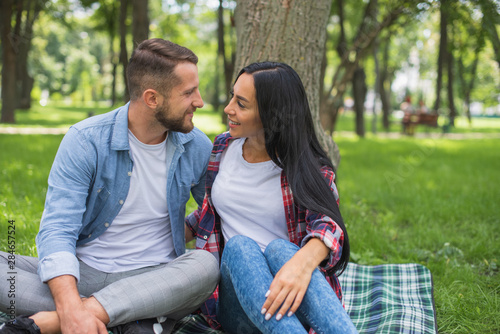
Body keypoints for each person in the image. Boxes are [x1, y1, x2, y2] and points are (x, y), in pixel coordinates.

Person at [0, 38, 219, 334]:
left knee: (205, 266)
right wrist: (68, 298)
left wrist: (72, 312)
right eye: (189, 92)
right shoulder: (86, 140)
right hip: (85, 274)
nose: (200, 101)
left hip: (157, 279)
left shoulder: (196, 146)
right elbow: (57, 229)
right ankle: (127, 318)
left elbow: (219, 211)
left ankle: (62, 319)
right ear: (152, 98)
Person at [186, 62, 358, 333]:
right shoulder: (222, 148)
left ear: (271, 115)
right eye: (232, 97)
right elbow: (207, 216)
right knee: (240, 247)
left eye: (241, 104)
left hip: (294, 295)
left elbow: (328, 225)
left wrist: (300, 264)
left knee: (281, 250)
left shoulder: (307, 167)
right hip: (239, 304)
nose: (228, 108)